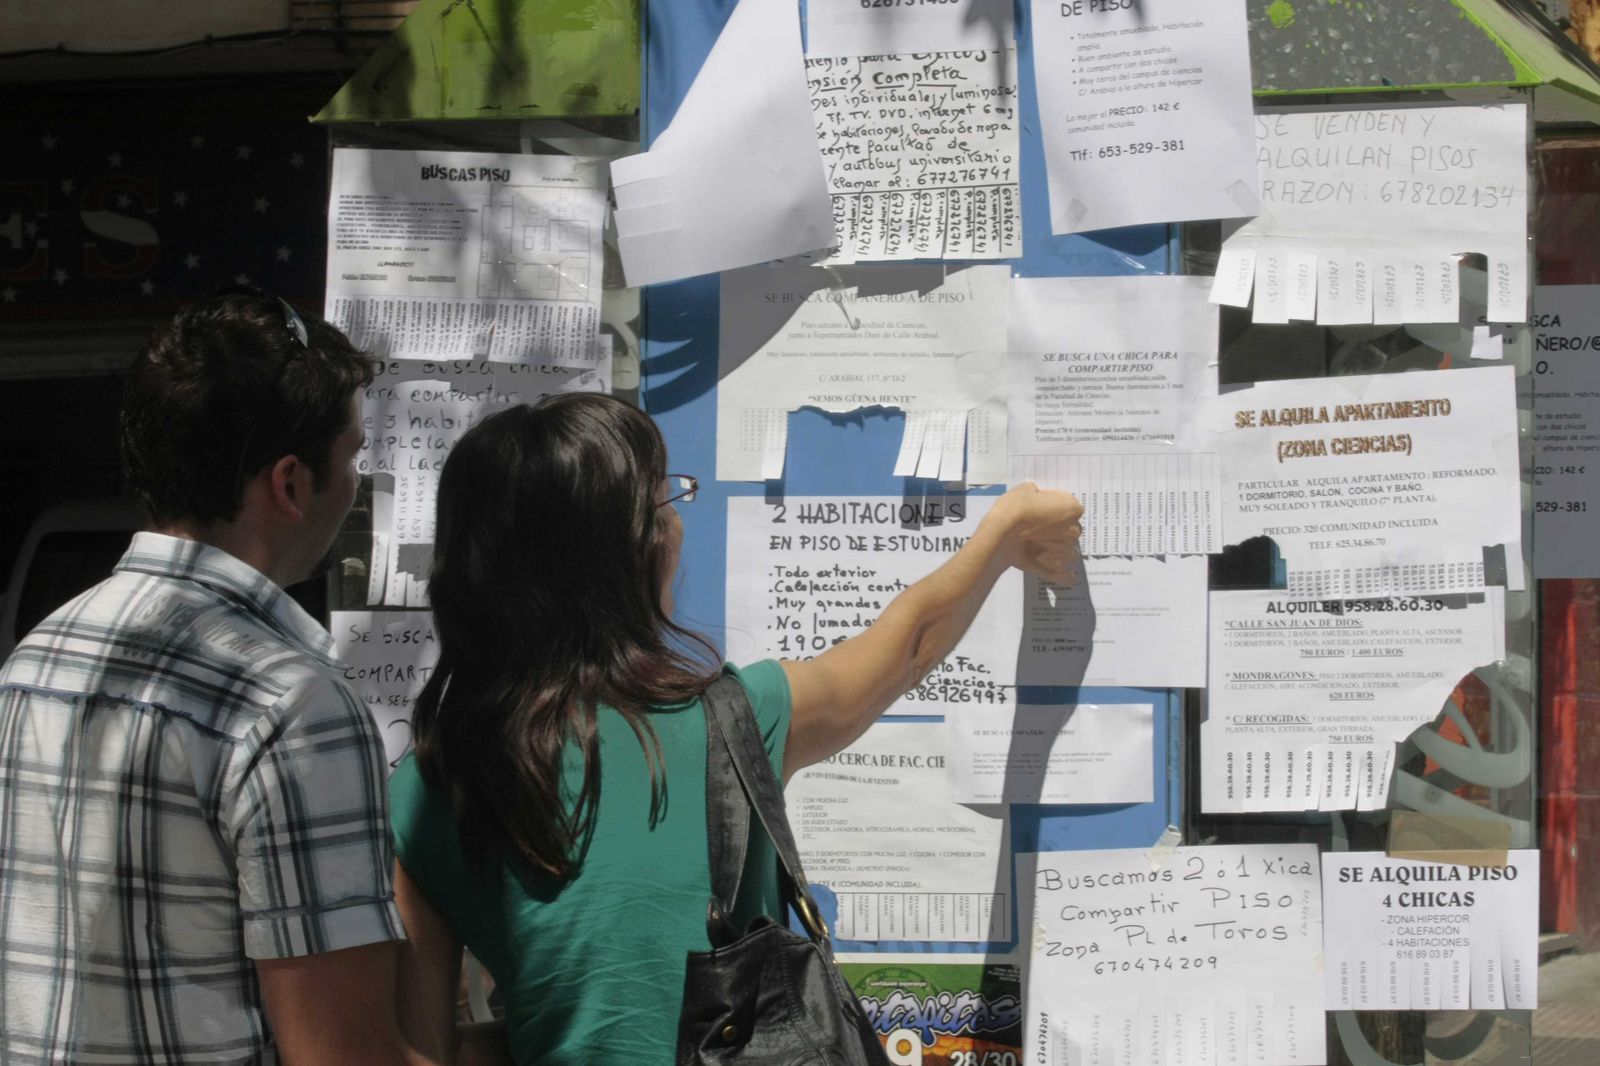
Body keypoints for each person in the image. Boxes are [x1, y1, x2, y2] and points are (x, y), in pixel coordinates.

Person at [389, 393, 1083, 1065]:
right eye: (664, 503)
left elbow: (420, 1051)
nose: (676, 526)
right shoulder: (734, 719)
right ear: (624, 555)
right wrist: (1003, 532)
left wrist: (554, 1024)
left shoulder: (427, 787)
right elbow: (910, 644)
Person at [0, 292, 437, 1065]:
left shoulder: (34, 663)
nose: (355, 487)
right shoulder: (290, 705)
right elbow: (341, 1054)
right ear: (290, 483)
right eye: (353, 460)